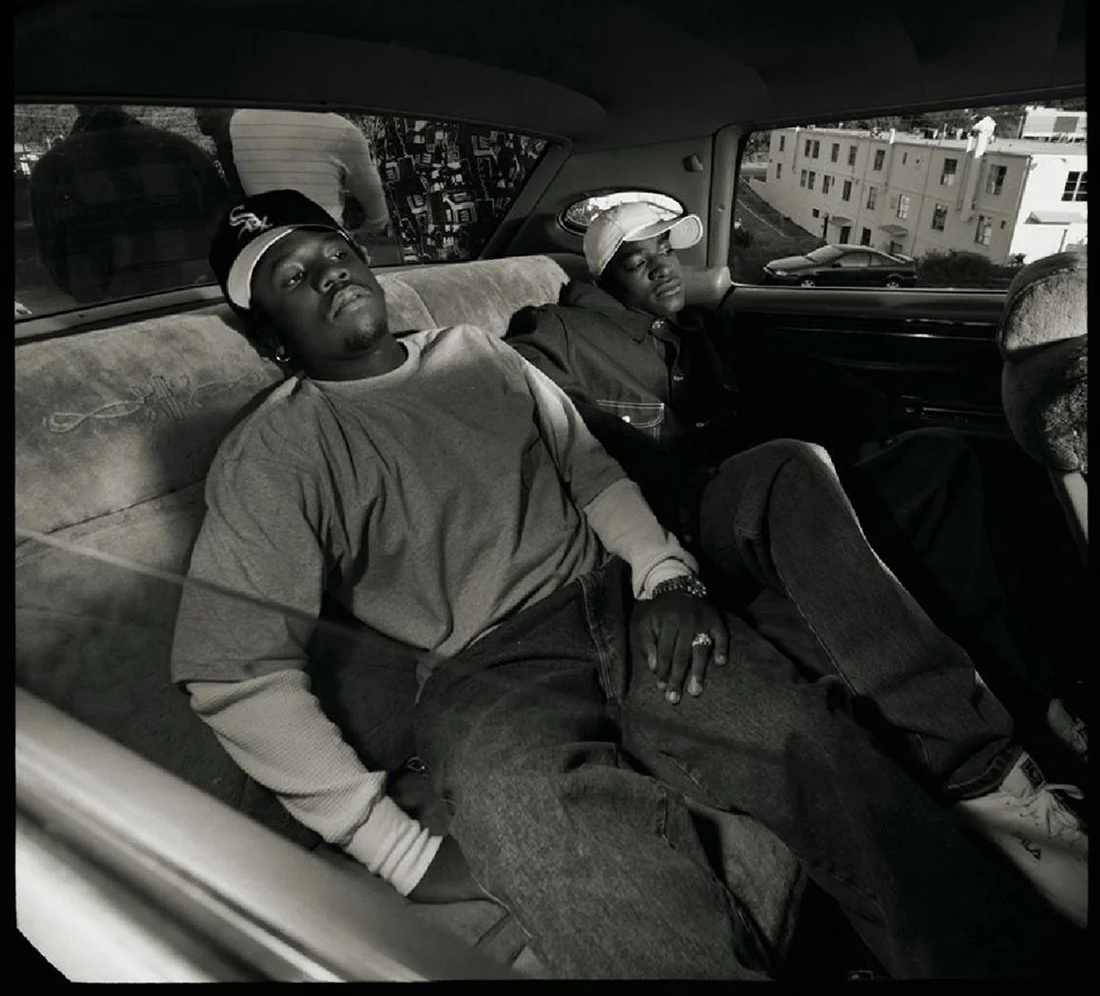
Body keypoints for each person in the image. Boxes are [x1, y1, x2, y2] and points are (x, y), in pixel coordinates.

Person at [172, 190, 1084, 979]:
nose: (329, 273)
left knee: (806, 739)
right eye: (292, 278)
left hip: (619, 599)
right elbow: (232, 671)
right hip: (487, 666)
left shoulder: (474, 355)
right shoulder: (281, 451)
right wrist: (392, 848)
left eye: (335, 251)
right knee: (522, 799)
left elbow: (591, 474)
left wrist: (667, 579)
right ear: (268, 340)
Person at [504, 201, 1087, 766]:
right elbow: (516, 382)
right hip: (689, 523)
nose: (663, 267)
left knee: (939, 458)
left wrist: (887, 425)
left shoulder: (700, 330)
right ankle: (997, 726)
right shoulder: (565, 334)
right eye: (638, 262)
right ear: (606, 281)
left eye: (667, 250)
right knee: (794, 462)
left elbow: (800, 382)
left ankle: (1027, 691)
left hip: (771, 497)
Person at [29, 105, 231, 303]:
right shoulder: (184, 151)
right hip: (194, 300)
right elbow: (226, 230)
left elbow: (55, 256)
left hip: (104, 314)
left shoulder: (53, 168)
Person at [215, 107, 395, 250]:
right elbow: (377, 212)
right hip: (323, 244)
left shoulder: (239, 121)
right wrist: (365, 231)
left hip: (264, 243)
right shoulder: (341, 131)